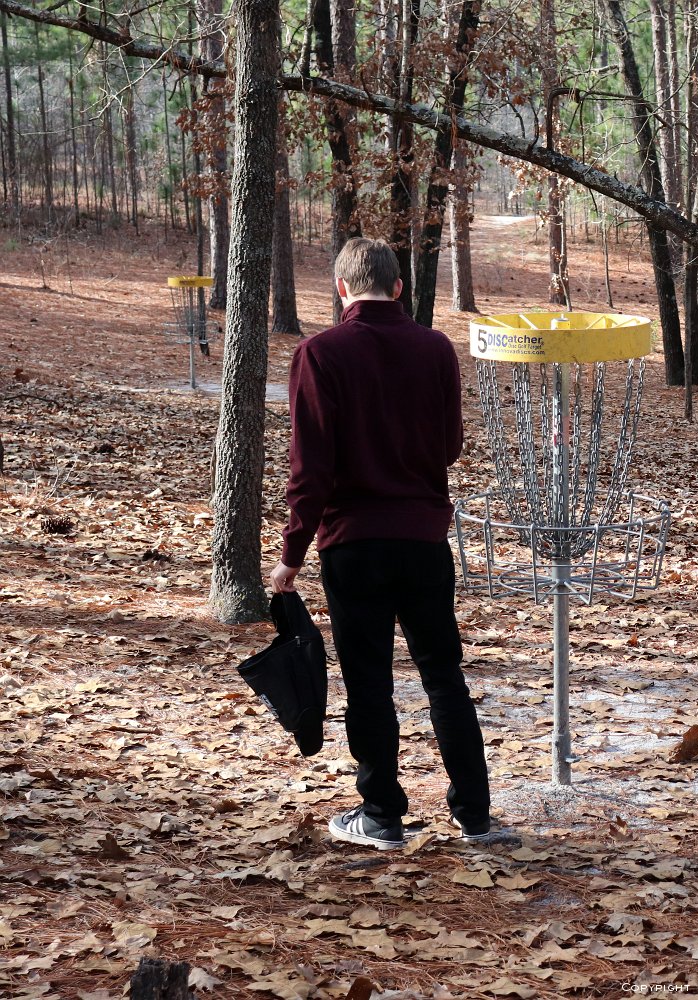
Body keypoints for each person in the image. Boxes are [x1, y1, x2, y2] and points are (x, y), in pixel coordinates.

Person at [269, 237, 496, 851]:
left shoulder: (320, 353)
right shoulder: (435, 348)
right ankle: (475, 815)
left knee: (369, 681)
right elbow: (449, 446)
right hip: (424, 539)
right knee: (444, 675)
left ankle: (381, 815)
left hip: (353, 544)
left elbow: (310, 468)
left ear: (342, 288)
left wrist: (291, 554)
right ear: (399, 288)